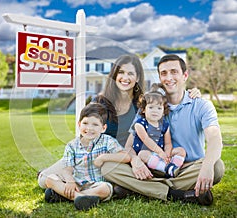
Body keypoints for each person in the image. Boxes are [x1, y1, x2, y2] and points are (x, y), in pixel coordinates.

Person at [37, 54, 200, 189]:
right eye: (121, 73)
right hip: (94, 155)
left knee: (109, 175)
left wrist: (193, 92)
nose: (125, 78)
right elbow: (87, 133)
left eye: (131, 74)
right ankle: (66, 189)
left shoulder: (142, 104)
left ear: (137, 78)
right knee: (43, 180)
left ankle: (91, 188)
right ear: (114, 75)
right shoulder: (100, 101)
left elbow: (168, 100)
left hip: (124, 159)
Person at [101, 54, 225, 205]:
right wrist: (135, 161)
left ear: (185, 75)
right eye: (164, 73)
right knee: (108, 167)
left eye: (174, 72)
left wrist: (206, 167)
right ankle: (178, 194)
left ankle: (140, 188)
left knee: (217, 167)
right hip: (151, 168)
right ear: (159, 77)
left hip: (185, 169)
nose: (169, 77)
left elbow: (214, 139)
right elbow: (130, 144)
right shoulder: (150, 106)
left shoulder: (201, 105)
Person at [44, 103, 130, 210]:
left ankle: (64, 196)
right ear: (79, 124)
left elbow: (125, 157)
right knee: (49, 179)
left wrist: (103, 157)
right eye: (85, 123)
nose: (89, 128)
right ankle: (80, 197)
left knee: (105, 189)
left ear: (103, 128)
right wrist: (70, 181)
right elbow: (67, 168)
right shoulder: (72, 145)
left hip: (96, 184)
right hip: (76, 182)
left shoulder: (107, 141)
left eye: (95, 124)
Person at [132, 84, 186, 178]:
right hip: (147, 156)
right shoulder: (140, 124)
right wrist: (160, 152)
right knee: (142, 154)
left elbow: (168, 143)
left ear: (163, 111)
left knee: (181, 151)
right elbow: (146, 139)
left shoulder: (164, 125)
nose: (155, 111)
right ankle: (166, 169)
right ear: (144, 109)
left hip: (161, 155)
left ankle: (173, 168)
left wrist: (167, 155)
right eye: (151, 107)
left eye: (159, 108)